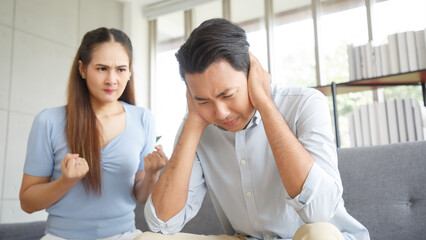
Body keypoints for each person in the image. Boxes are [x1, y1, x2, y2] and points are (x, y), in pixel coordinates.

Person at [139, 18, 370, 240]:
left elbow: (321, 212)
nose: (220, 113)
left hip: (315, 237)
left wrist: (266, 105)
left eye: (227, 95)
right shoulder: (198, 123)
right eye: (203, 100)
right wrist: (192, 124)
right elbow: (163, 223)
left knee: (318, 235)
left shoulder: (305, 104)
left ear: (252, 73)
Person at [19, 27, 167, 240]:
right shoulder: (48, 121)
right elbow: (27, 203)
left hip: (124, 235)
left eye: (121, 69)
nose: (112, 80)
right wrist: (66, 181)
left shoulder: (143, 119)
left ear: (130, 72)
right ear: (82, 69)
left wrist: (153, 174)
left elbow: (140, 196)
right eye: (101, 68)